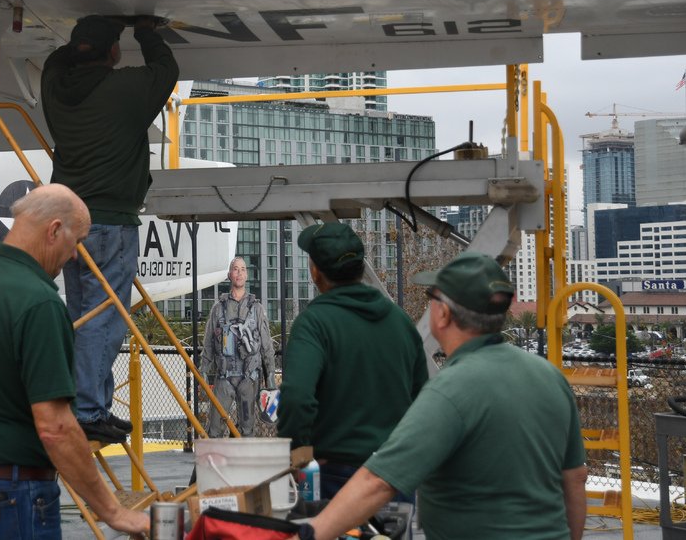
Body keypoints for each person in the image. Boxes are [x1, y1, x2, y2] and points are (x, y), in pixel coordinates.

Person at [293, 252, 588, 540]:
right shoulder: (551, 378)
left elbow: (378, 482)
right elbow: (574, 478)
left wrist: (309, 534)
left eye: (431, 298)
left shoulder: (452, 389)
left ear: (443, 313)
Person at [0, 184, 150, 540]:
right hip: (10, 499)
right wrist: (113, 511)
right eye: (76, 242)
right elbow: (55, 427)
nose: (76, 256)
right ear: (54, 231)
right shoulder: (40, 302)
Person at [41, 14, 179, 444]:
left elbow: (55, 62)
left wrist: (103, 37)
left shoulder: (56, 88)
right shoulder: (123, 90)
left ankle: (92, 404)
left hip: (67, 224)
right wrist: (144, 30)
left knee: (81, 318)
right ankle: (87, 409)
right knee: (105, 320)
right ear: (113, 54)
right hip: (110, 222)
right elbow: (167, 71)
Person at [277, 222, 427, 500]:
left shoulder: (314, 324)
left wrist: (300, 455)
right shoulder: (401, 323)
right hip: (393, 476)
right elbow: (424, 403)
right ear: (361, 267)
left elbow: (297, 397)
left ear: (315, 272)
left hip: (336, 477)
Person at [200, 256, 276, 437]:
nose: (239, 273)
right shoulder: (218, 308)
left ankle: (242, 464)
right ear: (229, 275)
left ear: (247, 275)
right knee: (214, 430)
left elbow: (267, 347)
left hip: (249, 379)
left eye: (243, 269)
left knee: (247, 431)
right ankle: (211, 465)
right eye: (235, 269)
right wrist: (203, 369)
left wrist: (270, 378)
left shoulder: (257, 309)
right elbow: (209, 342)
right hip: (224, 378)